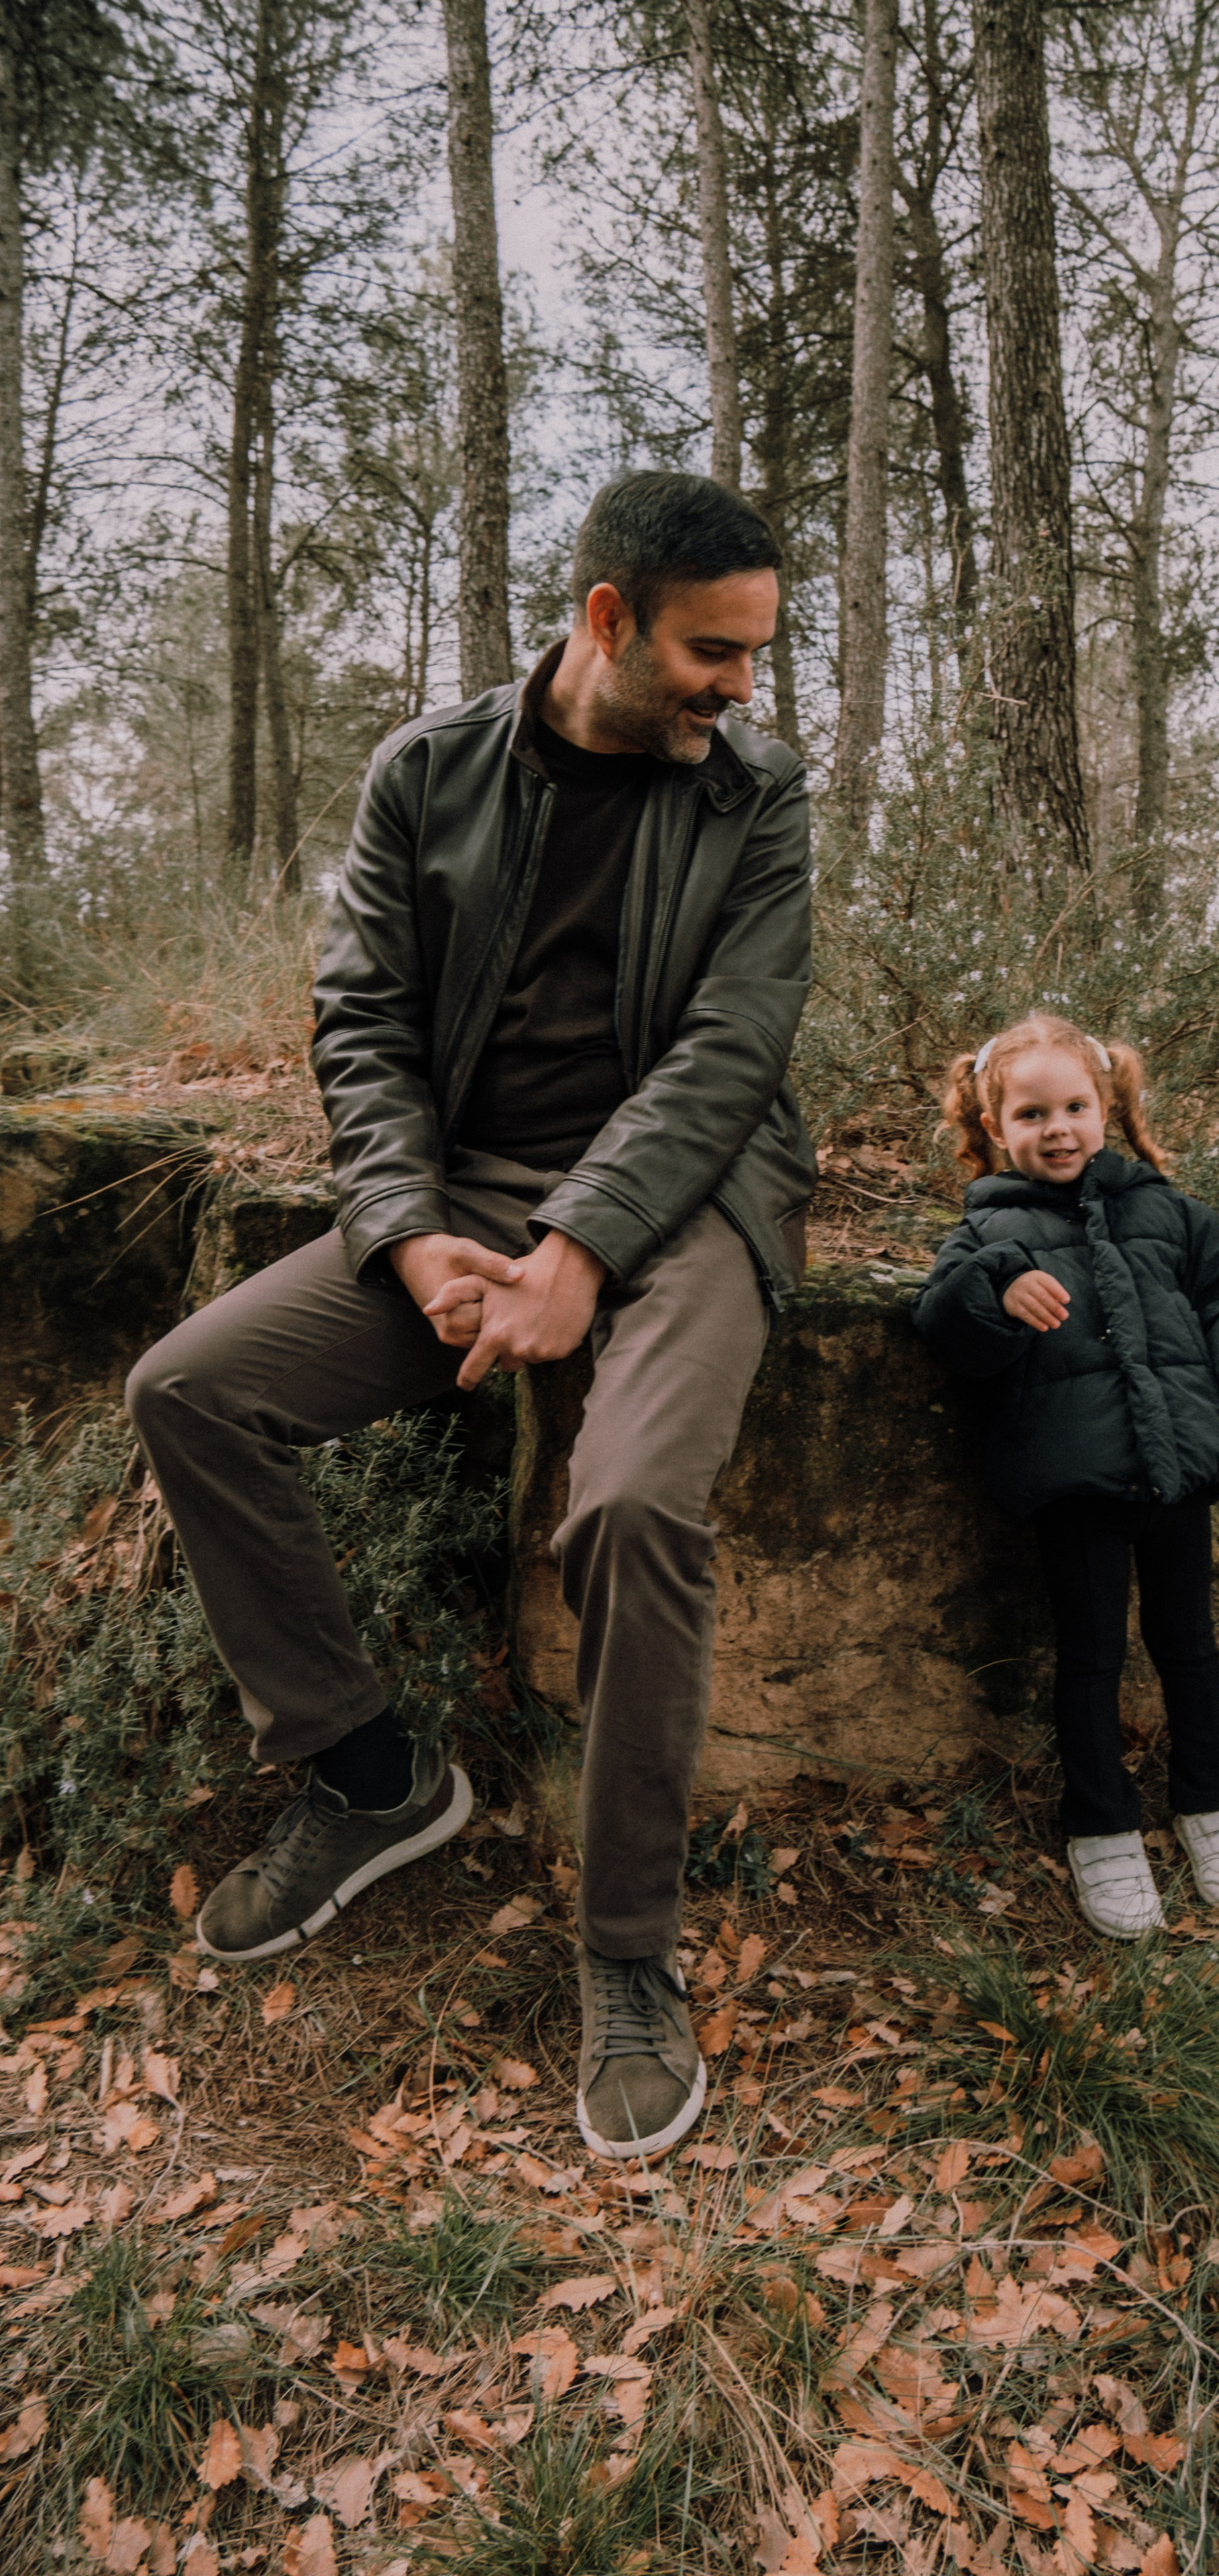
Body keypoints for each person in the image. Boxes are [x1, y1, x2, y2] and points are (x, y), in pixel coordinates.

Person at [125, 469, 816, 2162]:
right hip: (468, 1187)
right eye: (713, 654)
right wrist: (410, 1229)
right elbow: (360, 1022)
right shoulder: (424, 772)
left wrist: (583, 1243)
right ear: (606, 620)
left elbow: (732, 1051)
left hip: (693, 1198)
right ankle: (373, 1779)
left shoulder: (759, 797)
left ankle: (628, 1956)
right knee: (191, 1389)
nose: (740, 691)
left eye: (754, 657)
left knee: (637, 1504)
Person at [910, 1014, 1219, 1939]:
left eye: (1076, 1107)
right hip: (1079, 1483)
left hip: (1180, 1475)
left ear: (1109, 1108)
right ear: (996, 1127)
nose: (1058, 1129)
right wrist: (997, 1292)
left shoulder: (1168, 1210)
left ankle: (1213, 1808)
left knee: (1190, 1648)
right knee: (1089, 1658)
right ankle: (1103, 1828)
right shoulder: (991, 1228)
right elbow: (942, 1320)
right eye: (1032, 1112)